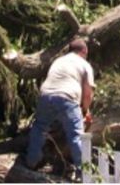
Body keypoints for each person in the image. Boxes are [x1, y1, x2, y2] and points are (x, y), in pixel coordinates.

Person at [23, 39, 95, 178]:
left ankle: (31, 162)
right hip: (67, 97)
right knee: (76, 135)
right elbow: (88, 94)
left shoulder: (59, 61)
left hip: (46, 95)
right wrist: (85, 110)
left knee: (39, 128)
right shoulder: (84, 64)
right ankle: (85, 174)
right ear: (84, 51)